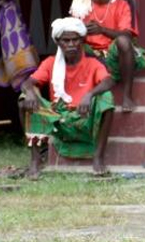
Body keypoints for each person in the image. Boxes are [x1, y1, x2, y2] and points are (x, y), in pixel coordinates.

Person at [20, 18, 116, 178]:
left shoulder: (92, 63)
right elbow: (28, 82)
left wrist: (89, 95)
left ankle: (98, 158)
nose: (71, 44)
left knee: (106, 98)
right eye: (66, 40)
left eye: (75, 40)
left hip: (84, 117)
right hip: (57, 120)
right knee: (24, 99)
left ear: (82, 41)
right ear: (58, 42)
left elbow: (109, 81)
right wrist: (30, 92)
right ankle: (35, 160)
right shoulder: (50, 63)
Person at [69, 0, 145, 113]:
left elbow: (127, 35)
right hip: (90, 54)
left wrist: (102, 30)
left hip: (115, 53)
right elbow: (71, 35)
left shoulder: (123, 3)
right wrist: (81, 32)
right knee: (70, 44)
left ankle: (127, 95)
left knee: (123, 41)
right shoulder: (81, 5)